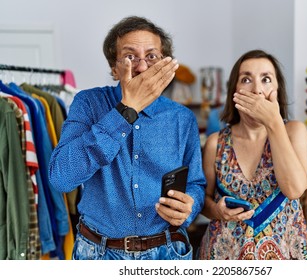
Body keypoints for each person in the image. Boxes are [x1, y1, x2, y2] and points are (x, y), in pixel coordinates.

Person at [48, 16, 206, 260]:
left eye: (152, 56)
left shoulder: (182, 118)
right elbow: (61, 177)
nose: (142, 67)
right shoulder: (88, 103)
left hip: (167, 252)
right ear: (114, 67)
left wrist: (190, 206)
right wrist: (125, 111)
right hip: (98, 254)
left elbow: (195, 183)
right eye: (131, 56)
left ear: (164, 65)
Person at [198, 49, 307, 260]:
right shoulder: (216, 142)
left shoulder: (294, 132)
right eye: (246, 79)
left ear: (278, 89)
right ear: (234, 90)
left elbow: (294, 189)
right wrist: (217, 211)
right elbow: (201, 200)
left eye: (266, 79)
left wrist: (273, 122)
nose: (257, 90)